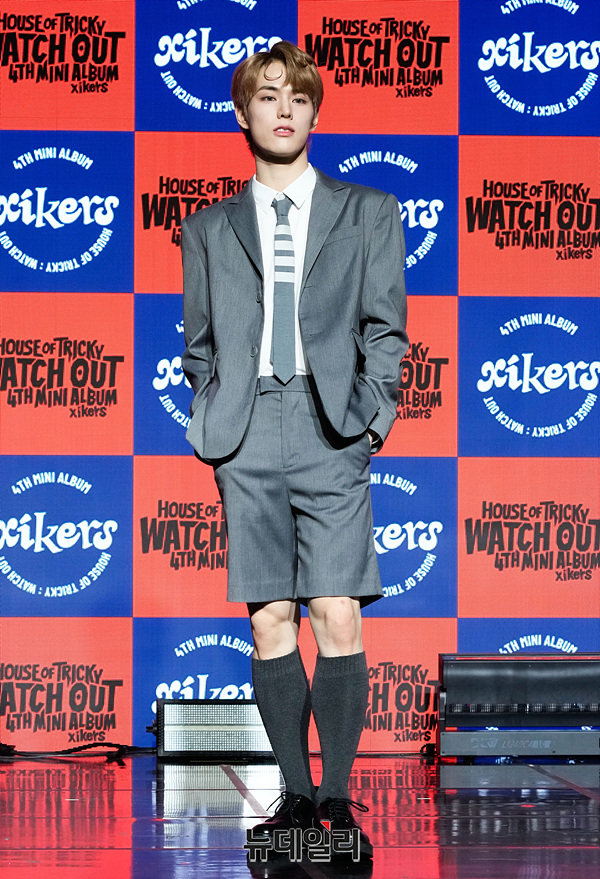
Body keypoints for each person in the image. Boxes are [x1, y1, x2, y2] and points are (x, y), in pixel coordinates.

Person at [182, 41, 407, 859]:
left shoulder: (367, 210)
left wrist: (370, 420)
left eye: (299, 98)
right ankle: (297, 797)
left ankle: (337, 798)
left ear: (314, 113)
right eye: (268, 95)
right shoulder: (206, 227)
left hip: (330, 425)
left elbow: (386, 328)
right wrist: (214, 418)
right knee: (271, 617)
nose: (285, 109)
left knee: (337, 609)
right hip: (245, 432)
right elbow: (199, 346)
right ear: (242, 113)